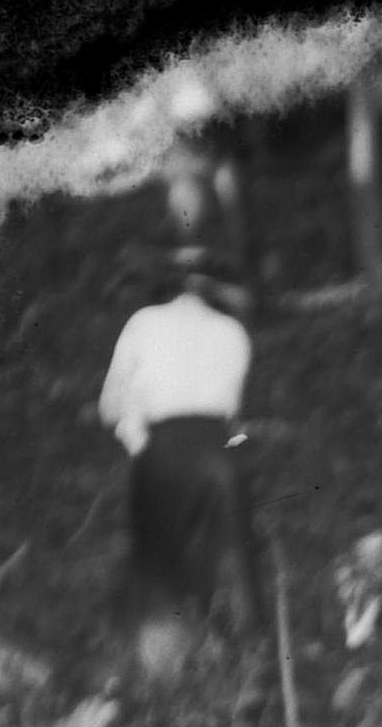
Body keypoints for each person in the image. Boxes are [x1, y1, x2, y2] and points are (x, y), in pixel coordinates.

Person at [98, 248, 264, 652]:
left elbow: (110, 406)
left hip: (162, 450)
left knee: (158, 563)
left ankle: (164, 660)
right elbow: (233, 411)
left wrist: (136, 437)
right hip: (217, 451)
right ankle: (245, 653)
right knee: (232, 558)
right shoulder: (233, 331)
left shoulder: (142, 323)